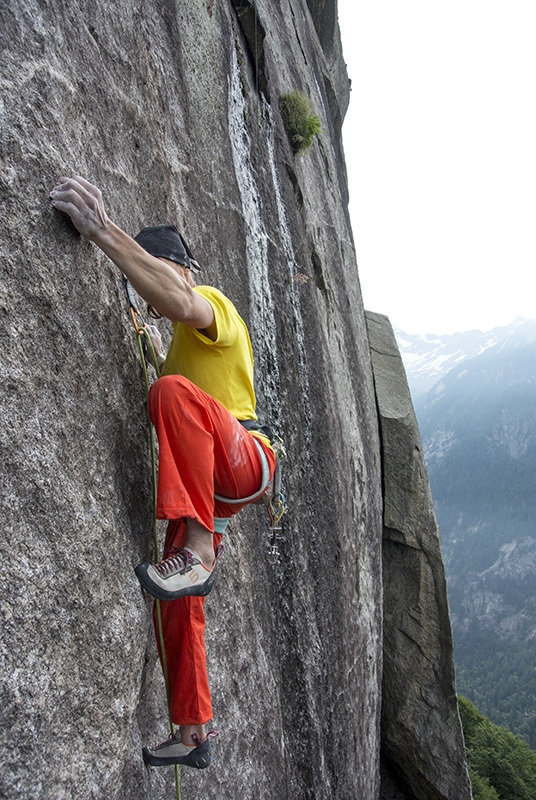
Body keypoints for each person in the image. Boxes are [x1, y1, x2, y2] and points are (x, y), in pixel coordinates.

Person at [50, 176, 277, 769]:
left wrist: (102, 231)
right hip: (217, 487)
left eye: (155, 277)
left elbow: (181, 301)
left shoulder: (213, 307)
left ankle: (196, 551)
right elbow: (165, 319)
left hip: (245, 456)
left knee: (170, 393)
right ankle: (194, 729)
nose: (153, 299)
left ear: (181, 269)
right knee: (175, 602)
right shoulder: (175, 343)